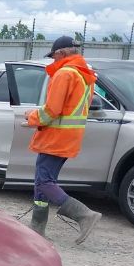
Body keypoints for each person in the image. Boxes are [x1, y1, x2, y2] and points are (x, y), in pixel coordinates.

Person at [25, 35, 102, 243]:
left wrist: (32, 117)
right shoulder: (84, 75)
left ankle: (84, 215)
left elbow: (52, 110)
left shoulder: (65, 73)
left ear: (61, 53)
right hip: (68, 136)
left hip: (55, 136)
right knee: (43, 180)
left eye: (54, 56)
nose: (52, 61)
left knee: (44, 181)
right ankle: (37, 227)